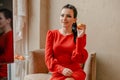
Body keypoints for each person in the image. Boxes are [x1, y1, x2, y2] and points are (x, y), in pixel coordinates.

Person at [45, 4, 88, 80]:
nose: (64, 18)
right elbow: (48, 59)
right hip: (58, 72)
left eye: (68, 16)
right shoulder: (52, 34)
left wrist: (79, 38)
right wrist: (62, 69)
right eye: (62, 15)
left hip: (75, 71)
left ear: (74, 20)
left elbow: (79, 60)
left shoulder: (80, 36)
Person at [0, 8, 13, 80]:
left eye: (0, 18)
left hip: (4, 73)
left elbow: (8, 58)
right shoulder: (2, 35)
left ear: (8, 20)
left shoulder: (10, 35)